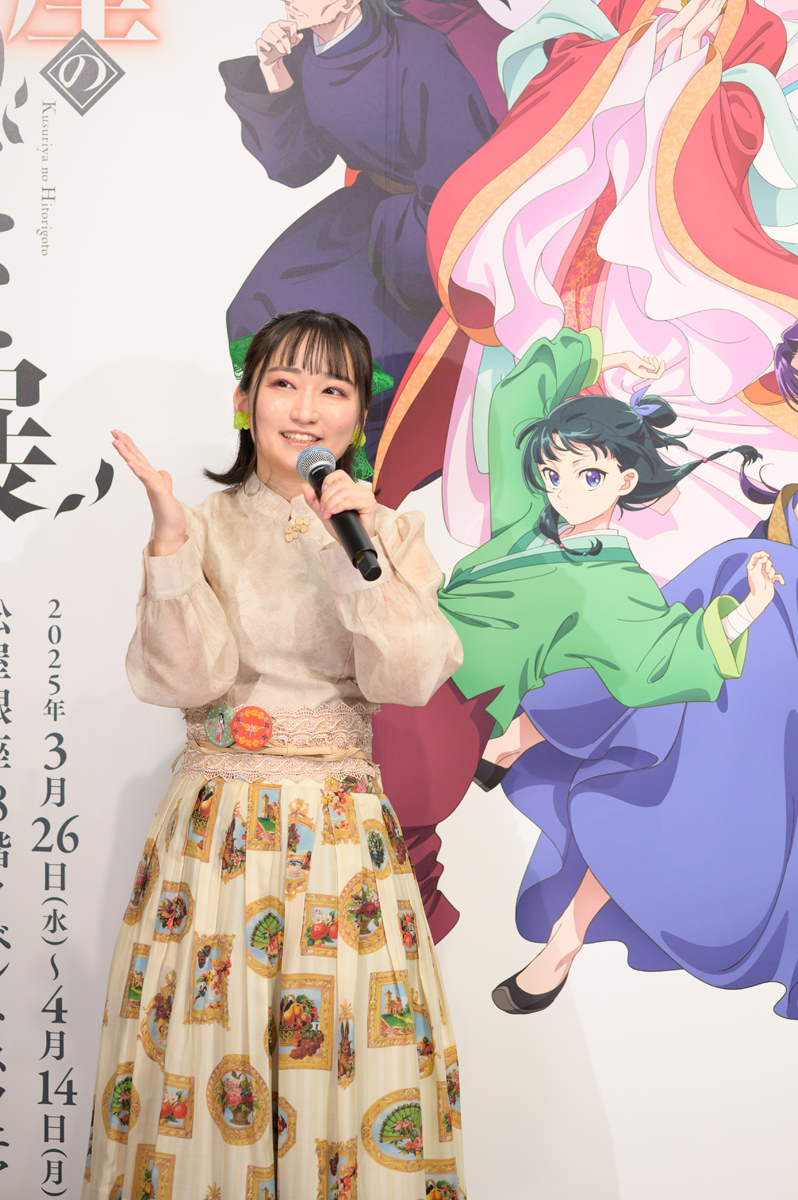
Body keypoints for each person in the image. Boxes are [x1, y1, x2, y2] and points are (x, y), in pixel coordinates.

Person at [81, 311, 466, 1198]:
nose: (305, 409)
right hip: (217, 837)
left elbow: (411, 675)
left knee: (352, 1061)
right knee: (204, 1056)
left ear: (357, 419)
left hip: (341, 839)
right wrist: (168, 547)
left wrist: (349, 547)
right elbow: (187, 678)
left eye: (333, 389)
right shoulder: (203, 524)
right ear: (244, 400)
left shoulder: (388, 532)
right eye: (283, 383)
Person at [439, 327, 798, 1019]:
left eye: (589, 478)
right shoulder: (532, 517)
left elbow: (662, 658)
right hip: (439, 679)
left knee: (683, 726)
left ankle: (565, 928)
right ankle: (520, 745)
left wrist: (751, 609)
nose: (565, 491)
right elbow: (515, 409)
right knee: (711, 604)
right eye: (556, 474)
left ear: (624, 481)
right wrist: (597, 357)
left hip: (765, 652)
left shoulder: (615, 580)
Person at [219, 0, 495, 462]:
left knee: (359, 349)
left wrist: (401, 249)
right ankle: (277, 451)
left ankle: (352, 465)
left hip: (427, 225)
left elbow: (462, 179)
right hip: (367, 206)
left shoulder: (420, 53)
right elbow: (296, 166)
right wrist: (274, 70)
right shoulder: (304, 53)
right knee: (260, 303)